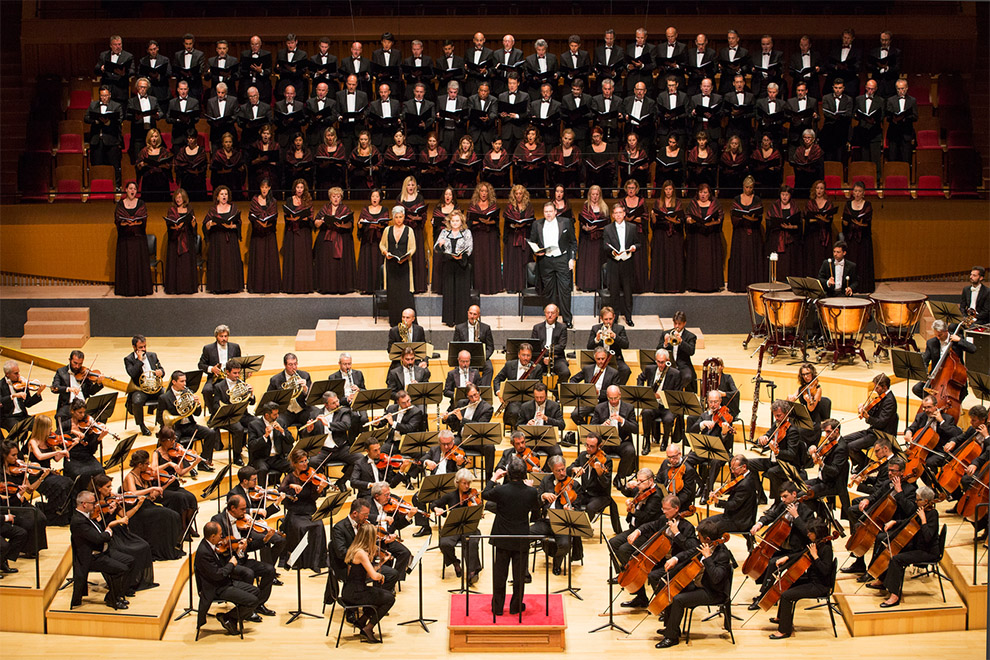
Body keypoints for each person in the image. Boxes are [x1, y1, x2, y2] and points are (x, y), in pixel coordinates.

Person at [655, 518, 734, 648]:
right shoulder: (707, 545)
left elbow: (716, 578)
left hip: (714, 592)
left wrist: (708, 558)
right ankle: (671, 628)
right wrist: (675, 558)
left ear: (707, 539)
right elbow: (689, 552)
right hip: (702, 585)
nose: (698, 538)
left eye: (699, 537)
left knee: (678, 600)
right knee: (672, 590)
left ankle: (671, 638)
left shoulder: (723, 554)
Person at [615, 493, 696, 609]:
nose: (664, 512)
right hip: (661, 559)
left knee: (653, 576)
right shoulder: (664, 519)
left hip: (677, 561)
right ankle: (641, 598)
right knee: (637, 568)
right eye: (663, 509)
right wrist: (638, 531)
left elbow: (691, 548)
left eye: (667, 509)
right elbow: (650, 525)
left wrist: (677, 533)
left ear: (676, 508)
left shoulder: (687, 527)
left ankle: (666, 607)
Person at [483, 457, 541, 616]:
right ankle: (516, 606)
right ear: (524, 474)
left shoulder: (501, 490)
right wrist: (530, 489)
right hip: (521, 538)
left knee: (500, 575)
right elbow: (536, 509)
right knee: (519, 576)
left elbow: (485, 494)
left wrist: (494, 478)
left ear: (508, 473)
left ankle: (497, 607)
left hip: (502, 537)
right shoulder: (531, 492)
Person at [209, 495, 276, 619]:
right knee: (248, 573)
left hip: (242, 559)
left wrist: (265, 540)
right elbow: (216, 546)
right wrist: (234, 546)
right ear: (232, 508)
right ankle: (245, 609)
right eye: (242, 509)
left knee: (269, 570)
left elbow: (250, 546)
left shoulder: (244, 522)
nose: (245, 512)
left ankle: (258, 604)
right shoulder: (218, 520)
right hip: (228, 562)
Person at [767, 518, 835, 639]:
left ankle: (784, 631)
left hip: (820, 585)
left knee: (786, 596)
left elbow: (825, 571)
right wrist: (787, 557)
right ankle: (781, 618)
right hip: (812, 579)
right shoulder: (817, 544)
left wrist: (815, 557)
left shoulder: (826, 549)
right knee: (787, 585)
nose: (808, 534)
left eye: (810, 533)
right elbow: (801, 553)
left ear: (817, 533)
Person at [196, 520, 261, 635]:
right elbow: (218, 575)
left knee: (256, 592)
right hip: (216, 588)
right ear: (212, 536)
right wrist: (231, 564)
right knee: (253, 601)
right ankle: (229, 618)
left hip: (224, 582)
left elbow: (226, 564)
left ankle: (230, 618)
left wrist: (238, 551)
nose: (222, 537)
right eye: (220, 534)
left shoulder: (211, 545)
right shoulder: (204, 552)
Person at [70, 491, 132, 610]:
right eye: (93, 503)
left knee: (129, 561)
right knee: (121, 570)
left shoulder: (86, 515)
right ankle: (111, 599)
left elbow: (99, 528)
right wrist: (108, 532)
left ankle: (117, 594)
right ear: (84, 504)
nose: (95, 505)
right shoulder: (78, 521)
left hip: (102, 552)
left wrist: (110, 514)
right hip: (92, 557)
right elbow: (98, 538)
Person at [121, 450, 184, 560]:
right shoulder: (130, 477)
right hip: (137, 511)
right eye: (146, 463)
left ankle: (167, 547)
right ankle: (161, 550)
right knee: (169, 515)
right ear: (140, 465)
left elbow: (153, 495)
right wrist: (151, 489)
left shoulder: (144, 476)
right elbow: (133, 493)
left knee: (173, 515)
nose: (149, 466)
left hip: (147, 505)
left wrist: (167, 484)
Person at [340, 522, 394, 643]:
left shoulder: (355, 549)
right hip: (356, 594)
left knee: (383, 595)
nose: (377, 538)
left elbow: (368, 574)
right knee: (389, 599)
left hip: (352, 590)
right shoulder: (361, 554)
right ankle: (368, 628)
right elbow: (374, 576)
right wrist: (381, 575)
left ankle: (362, 621)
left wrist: (382, 561)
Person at [278, 449, 329, 572]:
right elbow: (281, 490)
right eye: (301, 462)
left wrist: (319, 489)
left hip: (309, 510)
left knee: (319, 525)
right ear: (294, 463)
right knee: (300, 527)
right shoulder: (289, 477)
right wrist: (291, 486)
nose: (305, 464)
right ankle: (300, 561)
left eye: (306, 460)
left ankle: (316, 562)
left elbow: (313, 498)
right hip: (295, 512)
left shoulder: (311, 476)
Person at [431, 468, 483, 582]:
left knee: (472, 542)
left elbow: (479, 509)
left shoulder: (473, 495)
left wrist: (478, 510)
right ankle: (455, 562)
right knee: (444, 543)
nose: (467, 486)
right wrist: (436, 509)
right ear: (457, 482)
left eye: (469, 483)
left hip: (469, 527)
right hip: (454, 527)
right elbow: (434, 504)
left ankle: (472, 571)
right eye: (464, 483)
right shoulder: (450, 496)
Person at [530, 205, 576, 328]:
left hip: (562, 259)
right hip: (545, 261)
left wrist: (572, 259)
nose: (548, 214)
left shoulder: (566, 222)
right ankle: (551, 319)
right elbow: (532, 241)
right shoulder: (537, 224)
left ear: (555, 212)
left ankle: (567, 319)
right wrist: (536, 252)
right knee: (548, 291)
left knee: (565, 290)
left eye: (550, 211)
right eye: (546, 211)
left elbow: (573, 242)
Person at [302, 391, 359, 490]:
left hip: (341, 448)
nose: (337, 404)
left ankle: (342, 481)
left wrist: (328, 424)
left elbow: (346, 425)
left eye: (337, 401)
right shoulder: (315, 413)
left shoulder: (343, 411)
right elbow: (305, 435)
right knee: (313, 462)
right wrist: (309, 430)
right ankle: (323, 484)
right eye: (333, 403)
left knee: (360, 459)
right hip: (323, 449)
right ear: (326, 405)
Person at [23, 416, 72, 526]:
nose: (51, 429)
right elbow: (39, 456)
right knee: (59, 486)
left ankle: (62, 512)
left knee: (68, 482)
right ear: (42, 428)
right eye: (49, 427)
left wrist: (68, 448)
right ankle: (53, 513)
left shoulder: (49, 441)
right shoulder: (33, 442)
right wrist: (57, 452)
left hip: (48, 474)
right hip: (37, 476)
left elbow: (56, 459)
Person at [591, 385, 639, 485]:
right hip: (605, 441)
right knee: (593, 450)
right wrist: (601, 427)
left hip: (622, 441)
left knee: (630, 451)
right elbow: (592, 428)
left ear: (620, 395)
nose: (613, 401)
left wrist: (622, 420)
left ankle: (619, 477)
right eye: (610, 398)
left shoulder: (629, 408)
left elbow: (635, 428)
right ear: (607, 396)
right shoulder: (599, 408)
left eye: (615, 398)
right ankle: (602, 478)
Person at [112, 180, 154, 296]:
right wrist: (125, 223)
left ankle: (140, 288)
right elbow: (117, 219)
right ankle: (126, 289)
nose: (132, 191)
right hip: (125, 240)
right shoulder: (120, 204)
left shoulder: (141, 203)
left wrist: (135, 222)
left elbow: (143, 218)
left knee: (138, 264)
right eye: (130, 188)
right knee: (127, 264)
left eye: (135, 189)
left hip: (138, 239)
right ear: (126, 190)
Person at [705, 455, 760, 536]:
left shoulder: (746, 483)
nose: (732, 472)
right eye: (731, 469)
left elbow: (733, 505)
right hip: (734, 515)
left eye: (734, 469)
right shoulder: (744, 477)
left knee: (708, 528)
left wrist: (718, 501)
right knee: (705, 523)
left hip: (739, 521)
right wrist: (718, 493)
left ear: (744, 467)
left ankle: (717, 544)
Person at [604, 205, 640, 326]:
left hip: (627, 263)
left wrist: (634, 247)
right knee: (614, 293)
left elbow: (638, 243)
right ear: (613, 215)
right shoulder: (608, 229)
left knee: (628, 292)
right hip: (614, 264)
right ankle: (614, 318)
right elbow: (605, 245)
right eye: (616, 213)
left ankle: (628, 317)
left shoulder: (632, 227)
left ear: (624, 214)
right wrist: (613, 252)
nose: (618, 215)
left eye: (620, 212)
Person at [493, 343, 543, 429]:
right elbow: (497, 380)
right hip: (513, 400)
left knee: (529, 412)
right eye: (523, 355)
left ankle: (526, 431)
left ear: (531, 356)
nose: (525, 358)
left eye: (528, 355)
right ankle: (517, 432)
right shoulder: (509, 365)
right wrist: (499, 393)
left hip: (530, 400)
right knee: (514, 412)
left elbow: (540, 386)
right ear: (519, 355)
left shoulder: (536, 368)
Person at [727, 176, 764, 292]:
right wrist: (745, 217)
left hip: (753, 234)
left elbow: (759, 217)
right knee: (741, 257)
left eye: (751, 188)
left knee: (752, 257)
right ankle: (739, 285)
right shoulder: (737, 199)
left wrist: (752, 218)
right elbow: (733, 216)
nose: (748, 190)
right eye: (746, 187)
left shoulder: (757, 199)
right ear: (743, 187)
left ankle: (753, 284)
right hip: (740, 233)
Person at [684, 183, 724, 293]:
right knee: (697, 261)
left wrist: (716, 221)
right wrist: (688, 220)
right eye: (701, 192)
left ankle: (713, 285)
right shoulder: (693, 203)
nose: (703, 195)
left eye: (705, 192)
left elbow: (720, 216)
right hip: (697, 237)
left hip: (711, 237)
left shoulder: (715, 203)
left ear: (709, 193)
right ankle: (695, 285)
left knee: (709, 262)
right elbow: (687, 215)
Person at [380, 206, 416, 325]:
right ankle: (394, 320)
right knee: (393, 293)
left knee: (404, 293)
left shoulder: (409, 230)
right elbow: (382, 245)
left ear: (404, 217)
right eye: (396, 217)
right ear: (393, 217)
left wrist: (406, 257)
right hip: (391, 265)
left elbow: (413, 248)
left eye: (400, 217)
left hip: (404, 266)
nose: (398, 219)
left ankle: (407, 320)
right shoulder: (387, 230)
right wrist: (386, 253)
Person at [569, 347, 621, 426]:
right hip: (589, 401)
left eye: (603, 359)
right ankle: (586, 429)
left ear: (607, 358)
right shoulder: (587, 369)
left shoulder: (613, 373)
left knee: (600, 420)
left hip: (604, 402)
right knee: (575, 414)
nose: (601, 361)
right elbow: (573, 380)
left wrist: (599, 392)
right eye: (598, 359)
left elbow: (615, 391)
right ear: (594, 358)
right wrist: (580, 390)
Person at [123, 335, 164, 436]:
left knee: (166, 396)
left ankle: (162, 422)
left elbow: (162, 369)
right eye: (141, 347)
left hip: (154, 387)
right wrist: (139, 360)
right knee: (137, 401)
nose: (144, 349)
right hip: (140, 389)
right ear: (134, 347)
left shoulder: (152, 355)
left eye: (145, 346)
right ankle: (141, 425)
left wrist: (161, 372)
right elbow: (132, 374)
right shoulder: (129, 359)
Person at [60, 399, 107, 483]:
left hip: (86, 456)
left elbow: (92, 450)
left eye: (84, 412)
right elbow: (58, 438)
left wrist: (98, 439)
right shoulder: (66, 425)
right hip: (72, 457)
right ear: (72, 411)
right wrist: (71, 432)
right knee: (78, 474)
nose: (83, 415)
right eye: (80, 412)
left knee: (100, 470)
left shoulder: (87, 426)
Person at [245, 179, 280, 294]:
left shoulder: (273, 201)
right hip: (258, 234)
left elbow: (274, 216)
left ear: (269, 188)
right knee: (259, 259)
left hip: (269, 233)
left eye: (266, 187)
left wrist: (267, 223)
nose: (264, 189)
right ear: (260, 188)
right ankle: (257, 286)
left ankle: (271, 287)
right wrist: (260, 223)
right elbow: (251, 215)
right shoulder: (254, 200)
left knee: (270, 259)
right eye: (262, 187)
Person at [466, 182, 501, 294]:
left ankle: (491, 287)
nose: (484, 193)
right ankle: (479, 287)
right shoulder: (473, 205)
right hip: (477, 237)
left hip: (490, 237)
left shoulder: (493, 205)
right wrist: (478, 221)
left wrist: (488, 222)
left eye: (486, 191)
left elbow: (496, 222)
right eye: (482, 191)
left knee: (489, 260)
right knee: (478, 261)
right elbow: (468, 222)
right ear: (478, 192)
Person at [280, 179, 313, 294]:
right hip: (292, 232)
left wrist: (302, 218)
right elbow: (286, 216)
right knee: (292, 258)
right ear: (295, 188)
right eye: (298, 187)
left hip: (303, 232)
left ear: (304, 189)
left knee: (302, 259)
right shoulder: (289, 199)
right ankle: (290, 286)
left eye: (301, 188)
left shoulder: (307, 200)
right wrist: (292, 218)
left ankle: (303, 286)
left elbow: (310, 217)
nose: (299, 190)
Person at [51, 350, 104, 420]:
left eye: (80, 364)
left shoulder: (84, 373)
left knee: (100, 414)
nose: (77, 366)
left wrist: (98, 383)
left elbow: (91, 392)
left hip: (83, 406)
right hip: (68, 406)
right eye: (75, 363)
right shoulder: (61, 372)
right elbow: (55, 388)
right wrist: (68, 389)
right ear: (70, 360)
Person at [841, 182, 874, 292]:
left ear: (863, 193)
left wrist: (861, 224)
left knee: (862, 263)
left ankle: (863, 286)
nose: (857, 193)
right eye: (855, 191)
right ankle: (850, 286)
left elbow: (868, 222)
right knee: (852, 262)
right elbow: (845, 223)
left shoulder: (867, 205)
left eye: (859, 191)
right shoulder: (848, 204)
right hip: (851, 239)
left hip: (863, 239)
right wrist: (845, 222)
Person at [765, 184, 803, 280]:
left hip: (790, 241)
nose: (784, 197)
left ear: (790, 195)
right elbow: (769, 222)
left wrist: (792, 227)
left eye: (787, 194)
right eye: (783, 194)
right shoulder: (774, 206)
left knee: (790, 263)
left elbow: (799, 224)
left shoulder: (794, 207)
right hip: (776, 240)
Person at [268, 352, 312, 431]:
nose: (294, 367)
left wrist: (305, 388)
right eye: (290, 365)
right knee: (277, 425)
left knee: (317, 417)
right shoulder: (275, 380)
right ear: (285, 365)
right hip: (285, 412)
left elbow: (311, 398)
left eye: (295, 364)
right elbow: (269, 399)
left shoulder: (305, 375)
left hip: (302, 409)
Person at [452, 305, 496, 386]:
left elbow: (490, 347)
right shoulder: (459, 328)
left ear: (479, 315)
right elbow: (455, 346)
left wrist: (483, 357)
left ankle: (482, 389)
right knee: (458, 368)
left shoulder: (486, 328)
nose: (472, 316)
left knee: (489, 368)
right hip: (465, 358)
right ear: (467, 313)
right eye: (470, 313)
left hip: (481, 357)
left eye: (475, 314)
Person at [85, 86, 124, 172]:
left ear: (110, 95)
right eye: (102, 96)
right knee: (97, 166)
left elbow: (120, 119)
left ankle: (115, 181)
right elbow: (86, 118)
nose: (104, 98)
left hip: (111, 141)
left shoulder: (116, 106)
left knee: (113, 167)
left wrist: (108, 122)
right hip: (96, 140)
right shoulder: (93, 105)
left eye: (106, 95)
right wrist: (95, 121)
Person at [1, 361, 47, 432]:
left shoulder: (21, 384)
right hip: (8, 417)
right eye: (16, 373)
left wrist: (38, 392)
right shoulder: (1, 385)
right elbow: (1, 400)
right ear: (7, 374)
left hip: (23, 415)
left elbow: (28, 403)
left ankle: (32, 440)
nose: (19, 375)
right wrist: (13, 396)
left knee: (40, 427)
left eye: (18, 373)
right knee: (20, 430)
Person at [853, 80, 885, 178]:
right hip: (863, 132)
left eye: (872, 89)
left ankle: (877, 180)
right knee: (864, 158)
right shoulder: (858, 99)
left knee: (876, 159)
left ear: (876, 89)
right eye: (868, 88)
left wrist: (874, 120)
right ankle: (864, 178)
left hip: (875, 133)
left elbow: (882, 116)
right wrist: (858, 116)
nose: (870, 91)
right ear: (865, 88)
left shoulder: (880, 100)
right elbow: (854, 113)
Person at [660, 311, 697, 393]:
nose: (677, 326)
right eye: (675, 323)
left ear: (684, 323)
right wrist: (665, 343)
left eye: (679, 324)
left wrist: (681, 342)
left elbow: (691, 351)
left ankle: (676, 392)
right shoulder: (666, 334)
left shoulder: (690, 336)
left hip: (683, 364)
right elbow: (658, 350)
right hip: (669, 364)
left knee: (688, 376)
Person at [126, 78, 162, 161]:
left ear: (147, 88)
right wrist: (135, 117)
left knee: (152, 160)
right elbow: (127, 115)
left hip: (151, 133)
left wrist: (157, 116)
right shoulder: (132, 101)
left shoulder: (153, 99)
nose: (142, 89)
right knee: (139, 160)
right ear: (137, 88)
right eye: (140, 87)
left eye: (144, 87)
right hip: (138, 135)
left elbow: (160, 112)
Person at [804, 180, 836, 273]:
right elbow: (807, 219)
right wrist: (820, 219)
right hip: (812, 234)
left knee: (823, 257)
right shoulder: (810, 203)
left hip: (825, 235)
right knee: (812, 258)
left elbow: (829, 220)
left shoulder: (828, 203)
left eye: (821, 188)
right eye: (817, 188)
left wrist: (823, 219)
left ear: (824, 190)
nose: (819, 190)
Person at [820, 78, 853, 162]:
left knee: (840, 156)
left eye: (840, 88)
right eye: (836, 88)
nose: (838, 90)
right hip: (829, 130)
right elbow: (826, 113)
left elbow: (848, 114)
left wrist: (839, 116)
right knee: (828, 156)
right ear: (833, 87)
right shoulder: (826, 98)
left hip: (842, 130)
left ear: (843, 88)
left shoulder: (848, 99)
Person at [135, 128, 172, 202]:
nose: (154, 139)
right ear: (149, 138)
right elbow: (138, 166)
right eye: (152, 137)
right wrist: (141, 165)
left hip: (161, 181)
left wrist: (165, 166)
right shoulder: (144, 151)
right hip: (148, 181)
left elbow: (169, 165)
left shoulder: (163, 151)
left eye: (156, 136)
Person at [885, 79, 918, 163]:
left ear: (907, 88)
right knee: (893, 159)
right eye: (898, 89)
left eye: (902, 88)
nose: (901, 91)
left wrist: (904, 118)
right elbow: (888, 116)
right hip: (894, 134)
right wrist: (894, 118)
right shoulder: (890, 100)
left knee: (906, 159)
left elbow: (915, 117)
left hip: (906, 134)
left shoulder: (912, 100)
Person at [95, 35, 134, 103]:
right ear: (110, 45)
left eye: (119, 44)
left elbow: (132, 70)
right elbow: (96, 69)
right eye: (115, 45)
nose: (118, 46)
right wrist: (101, 68)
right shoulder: (104, 55)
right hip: (107, 91)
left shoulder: (128, 56)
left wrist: (124, 73)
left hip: (121, 91)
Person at [174, 130, 208, 199]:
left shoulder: (201, 151)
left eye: (192, 138)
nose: (191, 140)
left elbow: (203, 165)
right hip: (186, 181)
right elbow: (178, 165)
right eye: (189, 138)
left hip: (198, 182)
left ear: (196, 138)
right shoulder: (182, 151)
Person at [791, 130, 825, 196]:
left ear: (813, 139)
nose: (807, 140)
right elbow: (795, 163)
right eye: (805, 137)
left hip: (813, 178)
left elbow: (820, 168)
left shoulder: (817, 150)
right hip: (800, 179)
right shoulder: (799, 150)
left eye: (809, 137)